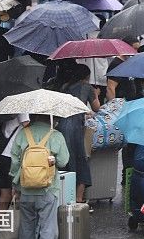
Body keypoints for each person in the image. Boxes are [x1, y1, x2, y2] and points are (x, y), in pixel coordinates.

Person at [10, 113, 70, 239]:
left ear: (32, 117)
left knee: (26, 226)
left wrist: (15, 185)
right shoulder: (56, 135)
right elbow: (63, 161)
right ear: (50, 118)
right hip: (48, 188)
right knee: (47, 225)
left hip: (26, 189)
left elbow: (15, 162)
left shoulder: (22, 133)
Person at [55, 63, 100, 206]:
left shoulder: (64, 87)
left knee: (65, 160)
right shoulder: (87, 88)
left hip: (61, 126)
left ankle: (64, 197)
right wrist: (96, 94)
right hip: (75, 127)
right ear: (87, 76)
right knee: (80, 160)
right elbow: (96, 107)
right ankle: (78, 199)